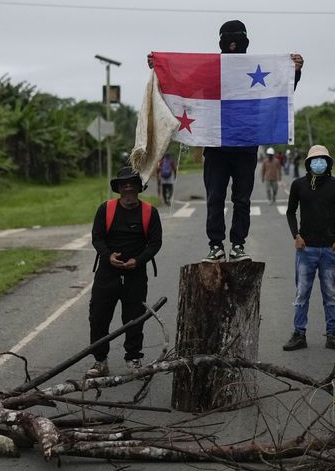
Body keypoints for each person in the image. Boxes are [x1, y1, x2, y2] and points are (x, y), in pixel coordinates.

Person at [147, 20, 303, 263]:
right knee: (215, 198)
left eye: (237, 38)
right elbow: (183, 82)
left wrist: (294, 71)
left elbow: (280, 88)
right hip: (216, 147)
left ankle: (238, 245)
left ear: (245, 40)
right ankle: (216, 245)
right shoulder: (209, 68)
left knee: (242, 199)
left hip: (245, 146)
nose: (232, 43)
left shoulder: (257, 67)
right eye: (228, 38)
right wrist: (160, 68)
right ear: (220, 40)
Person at [86, 167, 162, 377]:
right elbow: (97, 237)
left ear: (139, 187)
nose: (127, 186)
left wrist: (137, 261)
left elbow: (155, 243)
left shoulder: (149, 212)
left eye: (131, 183)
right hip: (106, 274)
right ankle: (100, 361)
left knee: (134, 318)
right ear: (119, 188)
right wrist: (108, 256)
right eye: (123, 184)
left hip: (135, 274)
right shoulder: (106, 209)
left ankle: (134, 359)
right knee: (98, 317)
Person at [283, 145, 335, 352]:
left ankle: (333, 334)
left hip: (330, 250)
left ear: (328, 163)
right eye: (316, 159)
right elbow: (290, 212)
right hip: (306, 250)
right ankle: (299, 334)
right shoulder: (298, 185)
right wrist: (296, 235)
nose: (319, 162)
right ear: (309, 163)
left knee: (330, 294)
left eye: (323, 159)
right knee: (302, 293)